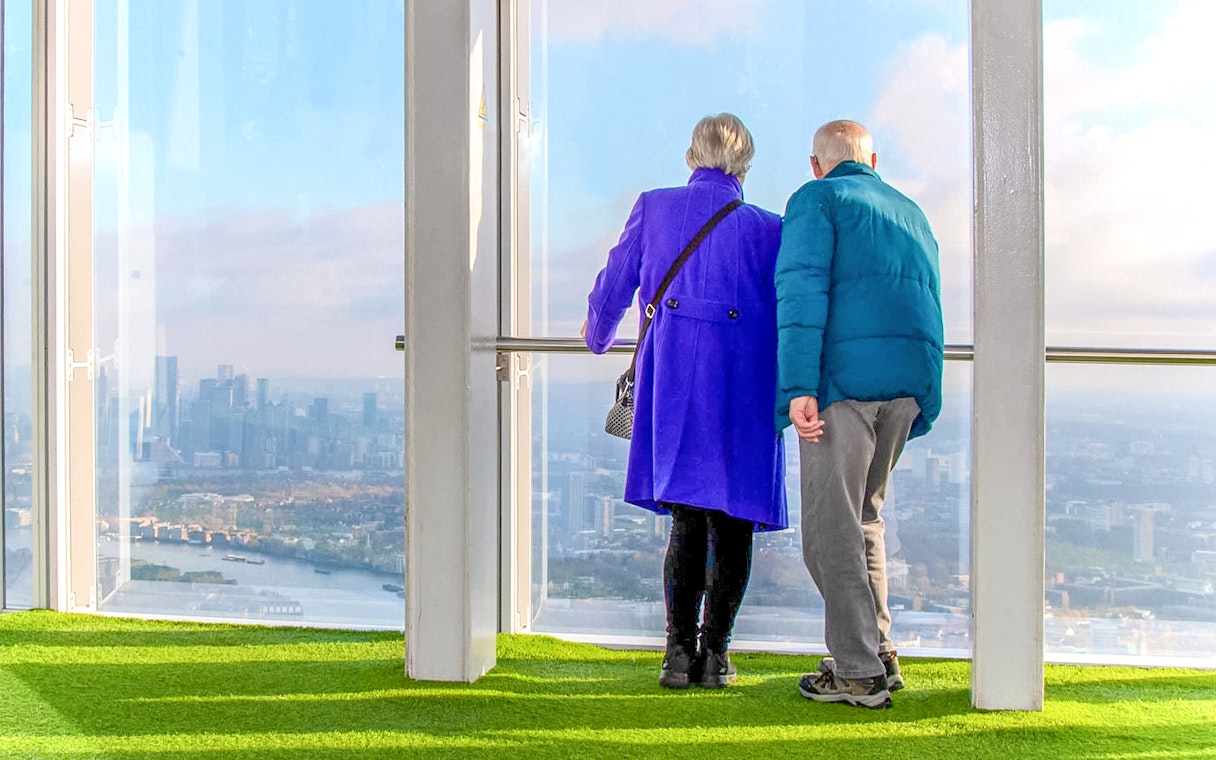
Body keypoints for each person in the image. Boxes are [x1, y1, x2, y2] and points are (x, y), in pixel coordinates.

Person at [583, 113, 787, 689]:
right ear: (744, 164)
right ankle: (717, 656)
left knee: (688, 519)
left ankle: (677, 655)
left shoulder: (654, 206)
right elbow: (793, 304)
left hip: (674, 379)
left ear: (691, 156)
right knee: (735, 520)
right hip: (746, 385)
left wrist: (598, 334)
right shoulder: (769, 228)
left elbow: (617, 278)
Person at [775, 119, 943, 709]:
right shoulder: (910, 211)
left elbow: (800, 292)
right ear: (874, 158)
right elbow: (929, 306)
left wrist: (797, 385)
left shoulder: (817, 198)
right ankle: (879, 652)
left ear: (816, 163)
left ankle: (856, 671)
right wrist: (926, 394)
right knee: (866, 519)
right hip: (905, 387)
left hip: (842, 388)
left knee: (828, 531)